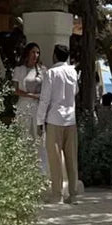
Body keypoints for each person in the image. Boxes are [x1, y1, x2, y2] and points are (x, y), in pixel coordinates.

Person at [37, 44, 79, 204]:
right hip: (71, 119)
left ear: (55, 56)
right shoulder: (73, 72)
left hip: (54, 119)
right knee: (71, 158)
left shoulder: (51, 73)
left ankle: (57, 195)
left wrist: (40, 121)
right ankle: (73, 194)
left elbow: (45, 99)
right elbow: (75, 91)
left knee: (55, 159)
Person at [12, 42, 45, 140]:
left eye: (37, 53)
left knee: (38, 135)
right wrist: (31, 95)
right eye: (33, 52)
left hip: (38, 106)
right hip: (24, 105)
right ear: (28, 53)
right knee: (24, 134)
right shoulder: (19, 70)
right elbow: (15, 90)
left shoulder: (42, 70)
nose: (35, 55)